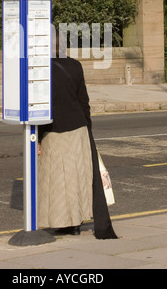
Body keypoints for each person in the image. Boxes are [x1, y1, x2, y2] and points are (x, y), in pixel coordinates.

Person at [38, 33, 117, 239]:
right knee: (76, 177)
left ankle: (64, 223)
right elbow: (84, 101)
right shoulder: (75, 66)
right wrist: (87, 129)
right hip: (79, 129)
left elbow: (40, 107)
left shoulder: (40, 69)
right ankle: (76, 223)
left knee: (57, 180)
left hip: (54, 131)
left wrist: (37, 137)